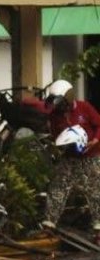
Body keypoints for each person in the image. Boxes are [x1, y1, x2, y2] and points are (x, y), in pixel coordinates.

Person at [30, 80, 100, 232]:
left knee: (95, 188)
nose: (59, 107)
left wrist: (94, 140)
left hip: (91, 155)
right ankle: (50, 220)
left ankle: (98, 223)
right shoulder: (55, 116)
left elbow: (98, 124)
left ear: (68, 98)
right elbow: (56, 134)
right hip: (69, 157)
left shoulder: (84, 108)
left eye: (61, 103)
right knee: (58, 186)